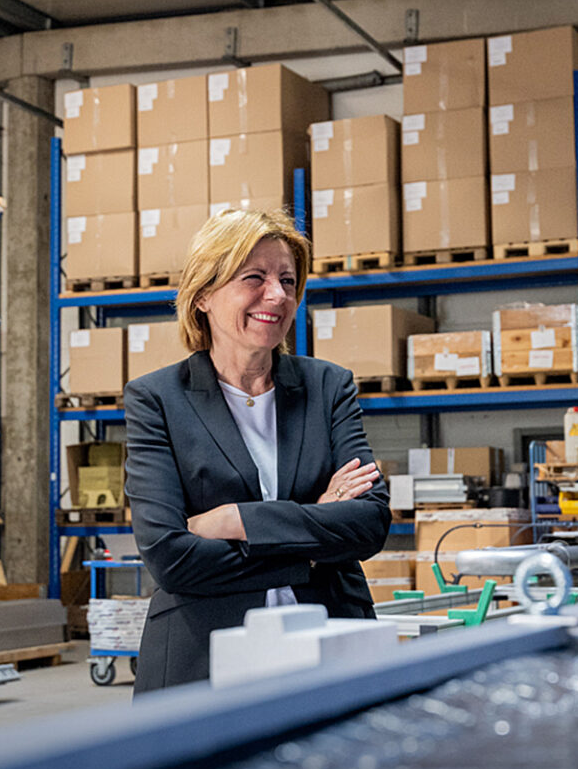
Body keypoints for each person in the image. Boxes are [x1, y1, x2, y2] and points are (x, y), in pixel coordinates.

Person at [123, 207, 390, 693]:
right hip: (202, 657)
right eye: (255, 278)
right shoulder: (157, 399)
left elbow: (369, 523)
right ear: (203, 294)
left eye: (288, 280)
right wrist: (310, 540)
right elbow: (170, 556)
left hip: (331, 643)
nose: (278, 295)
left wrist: (235, 521)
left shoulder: (328, 387)